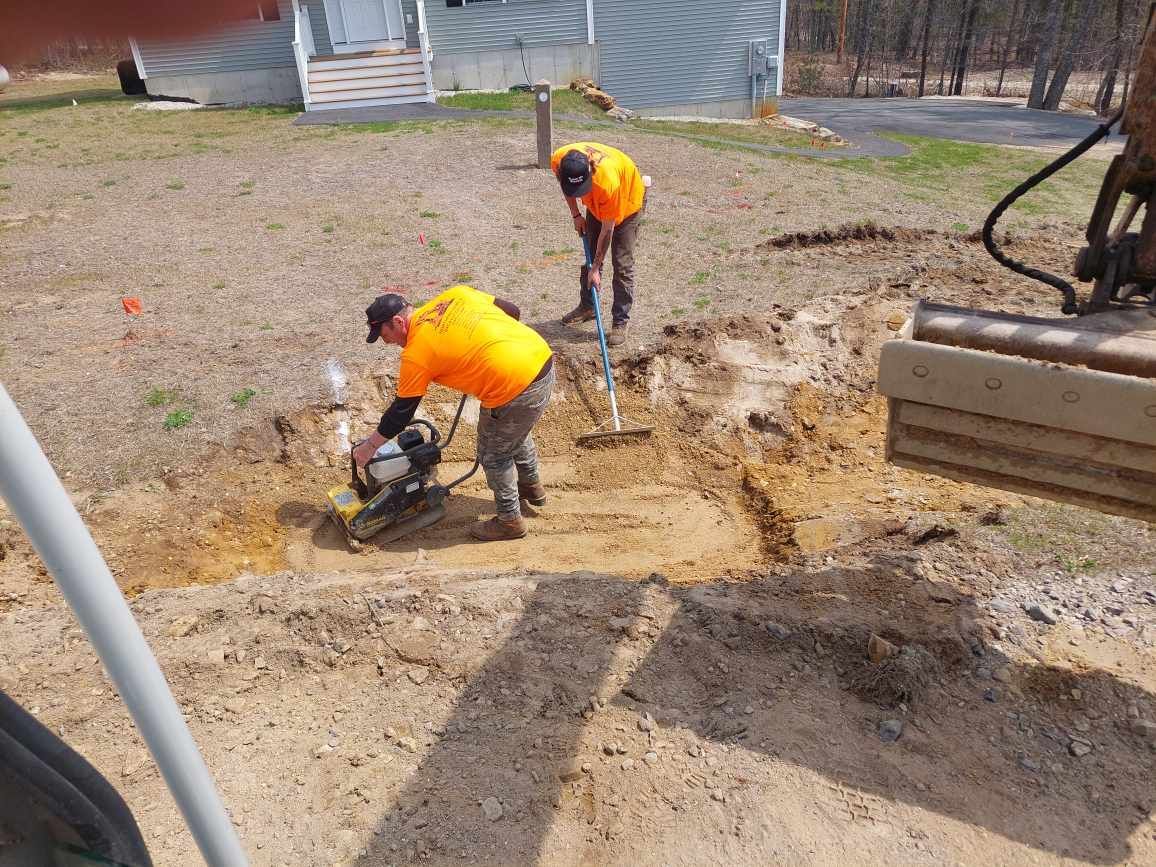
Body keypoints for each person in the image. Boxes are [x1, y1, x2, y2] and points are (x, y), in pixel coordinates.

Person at [354, 286, 554, 542]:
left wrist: (370, 446)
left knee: (493, 453)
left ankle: (509, 521)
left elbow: (401, 413)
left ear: (398, 321)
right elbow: (512, 311)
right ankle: (530, 487)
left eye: (384, 335)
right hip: (540, 358)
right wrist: (484, 349)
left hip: (515, 386)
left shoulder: (416, 354)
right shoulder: (455, 296)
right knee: (510, 430)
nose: (387, 342)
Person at [551, 141, 645, 346]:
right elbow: (565, 186)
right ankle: (588, 307)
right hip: (597, 203)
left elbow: (608, 229)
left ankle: (620, 322)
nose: (579, 193)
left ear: (590, 172)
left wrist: (596, 268)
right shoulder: (560, 159)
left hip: (627, 203)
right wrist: (576, 215)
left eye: (581, 188)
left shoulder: (607, 183)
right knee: (590, 257)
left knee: (622, 264)